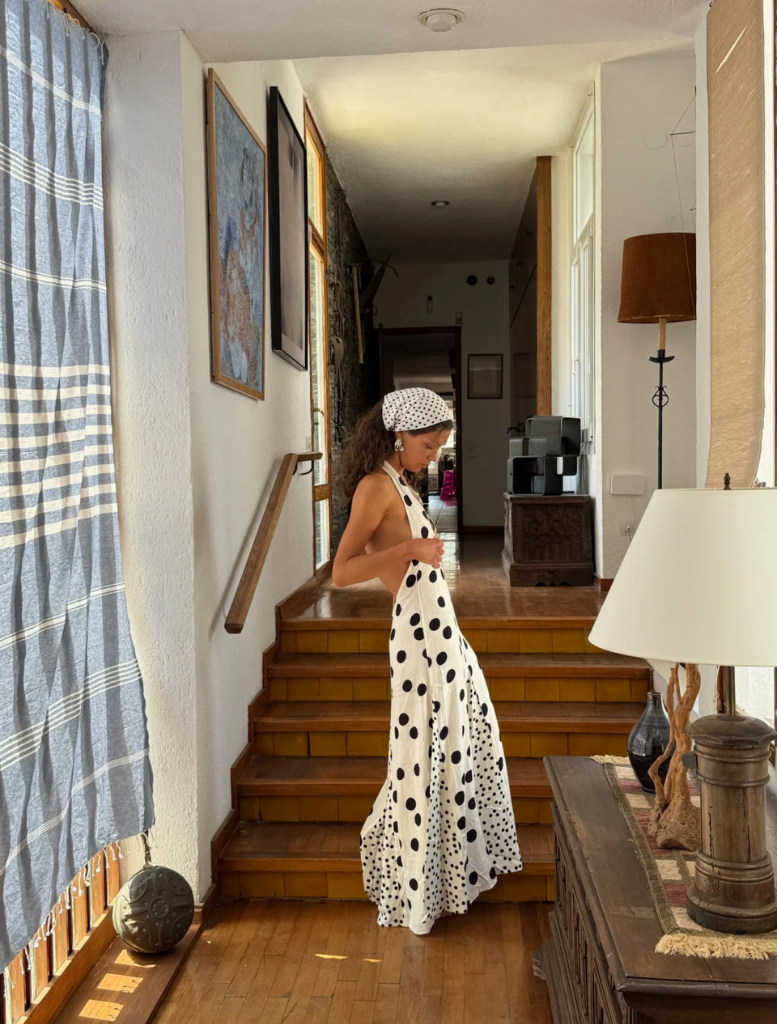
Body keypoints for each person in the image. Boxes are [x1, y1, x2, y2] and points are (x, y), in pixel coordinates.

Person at [333, 388, 522, 935]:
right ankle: (419, 890)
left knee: (456, 745)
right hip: (417, 638)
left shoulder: (403, 485)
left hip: (442, 636)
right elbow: (342, 571)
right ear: (400, 434)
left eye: (440, 445)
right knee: (422, 755)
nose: (435, 454)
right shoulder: (375, 487)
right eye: (430, 444)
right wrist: (408, 553)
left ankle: (448, 875)